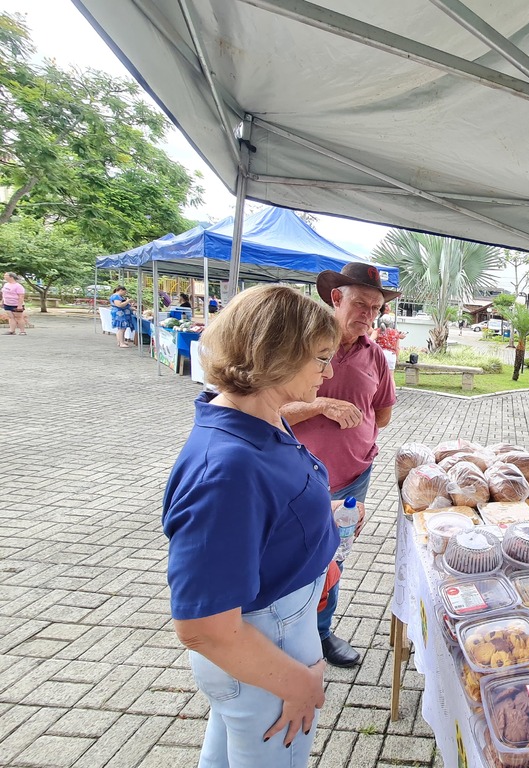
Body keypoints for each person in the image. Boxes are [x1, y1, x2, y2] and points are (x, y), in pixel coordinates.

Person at [162, 284, 340, 766]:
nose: (329, 371)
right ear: (276, 356)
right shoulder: (227, 468)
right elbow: (203, 627)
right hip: (264, 644)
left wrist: (328, 525)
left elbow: (274, 503)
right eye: (321, 357)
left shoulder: (263, 415)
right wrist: (297, 681)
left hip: (276, 630)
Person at [282, 262, 401, 668]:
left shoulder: (376, 357)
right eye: (361, 304)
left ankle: (320, 633)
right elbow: (271, 410)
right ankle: (284, 636)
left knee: (335, 557)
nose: (369, 314)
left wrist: (358, 430)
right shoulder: (301, 346)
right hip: (298, 476)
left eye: (376, 307)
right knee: (294, 556)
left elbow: (381, 414)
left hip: (354, 477)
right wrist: (321, 406)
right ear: (336, 298)